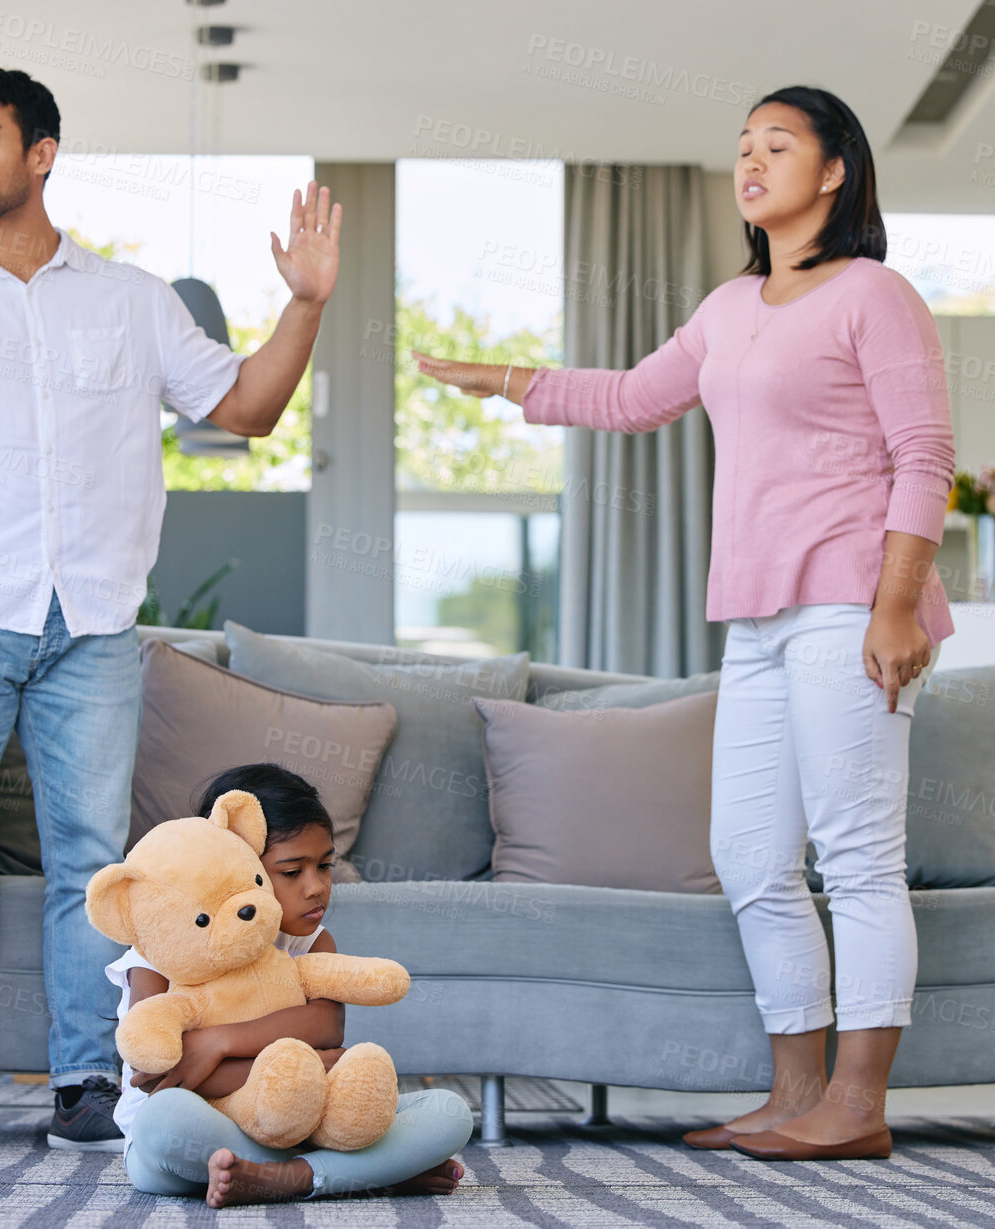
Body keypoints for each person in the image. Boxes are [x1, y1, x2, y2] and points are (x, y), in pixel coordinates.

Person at [413, 85, 956, 1163]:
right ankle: (794, 1089)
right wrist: (502, 378)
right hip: (756, 617)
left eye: (777, 145)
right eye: (742, 148)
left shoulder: (873, 295)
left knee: (853, 856)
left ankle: (857, 1101)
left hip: (850, 599)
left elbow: (924, 453)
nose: (750, 163)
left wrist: (898, 603)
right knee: (749, 854)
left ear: (835, 170)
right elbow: (629, 396)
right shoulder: (727, 307)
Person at [0, 58, 341, 1153]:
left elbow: (247, 408)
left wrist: (304, 304)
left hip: (96, 628)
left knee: (92, 862)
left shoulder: (131, 303)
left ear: (40, 153)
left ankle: (82, 1082)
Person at [114, 764, 474, 1206]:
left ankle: (287, 1178)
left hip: (300, 1125)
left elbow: (327, 1026)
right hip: (201, 1134)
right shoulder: (161, 949)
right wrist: (317, 1063)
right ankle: (356, 1176)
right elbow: (156, 1080)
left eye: (324, 866)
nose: (316, 888)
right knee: (163, 1122)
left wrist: (217, 1043)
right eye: (291, 872)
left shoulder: (310, 941)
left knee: (448, 1113)